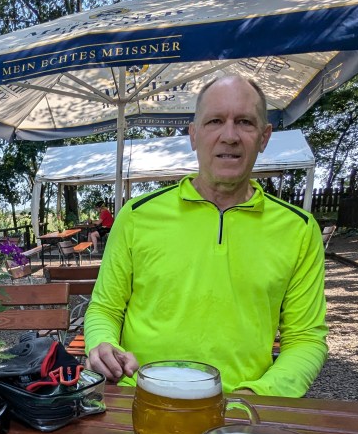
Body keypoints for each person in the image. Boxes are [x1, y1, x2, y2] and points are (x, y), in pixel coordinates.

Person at [84, 75, 328, 397]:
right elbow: (105, 308)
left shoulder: (298, 229)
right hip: (141, 397)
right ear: (194, 135)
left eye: (245, 122)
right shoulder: (137, 215)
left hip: (240, 404)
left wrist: (258, 395)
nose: (230, 136)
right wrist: (102, 343)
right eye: (215, 121)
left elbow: (306, 338)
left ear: (264, 137)